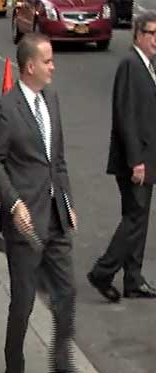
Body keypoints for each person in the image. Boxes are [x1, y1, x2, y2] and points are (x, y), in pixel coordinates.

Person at [0, 33, 100, 373]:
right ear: (30, 66)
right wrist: (13, 203)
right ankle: (13, 371)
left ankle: (63, 368)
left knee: (66, 293)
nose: (54, 67)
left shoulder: (51, 99)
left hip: (55, 216)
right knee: (23, 301)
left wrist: (67, 202)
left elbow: (58, 160)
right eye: (48, 61)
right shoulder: (6, 109)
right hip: (25, 222)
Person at [87, 11, 156, 302]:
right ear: (138, 35)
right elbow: (126, 116)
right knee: (134, 219)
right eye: (151, 33)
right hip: (134, 161)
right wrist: (136, 161)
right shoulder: (130, 65)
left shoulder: (147, 66)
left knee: (139, 218)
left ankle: (133, 278)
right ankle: (103, 271)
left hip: (146, 157)